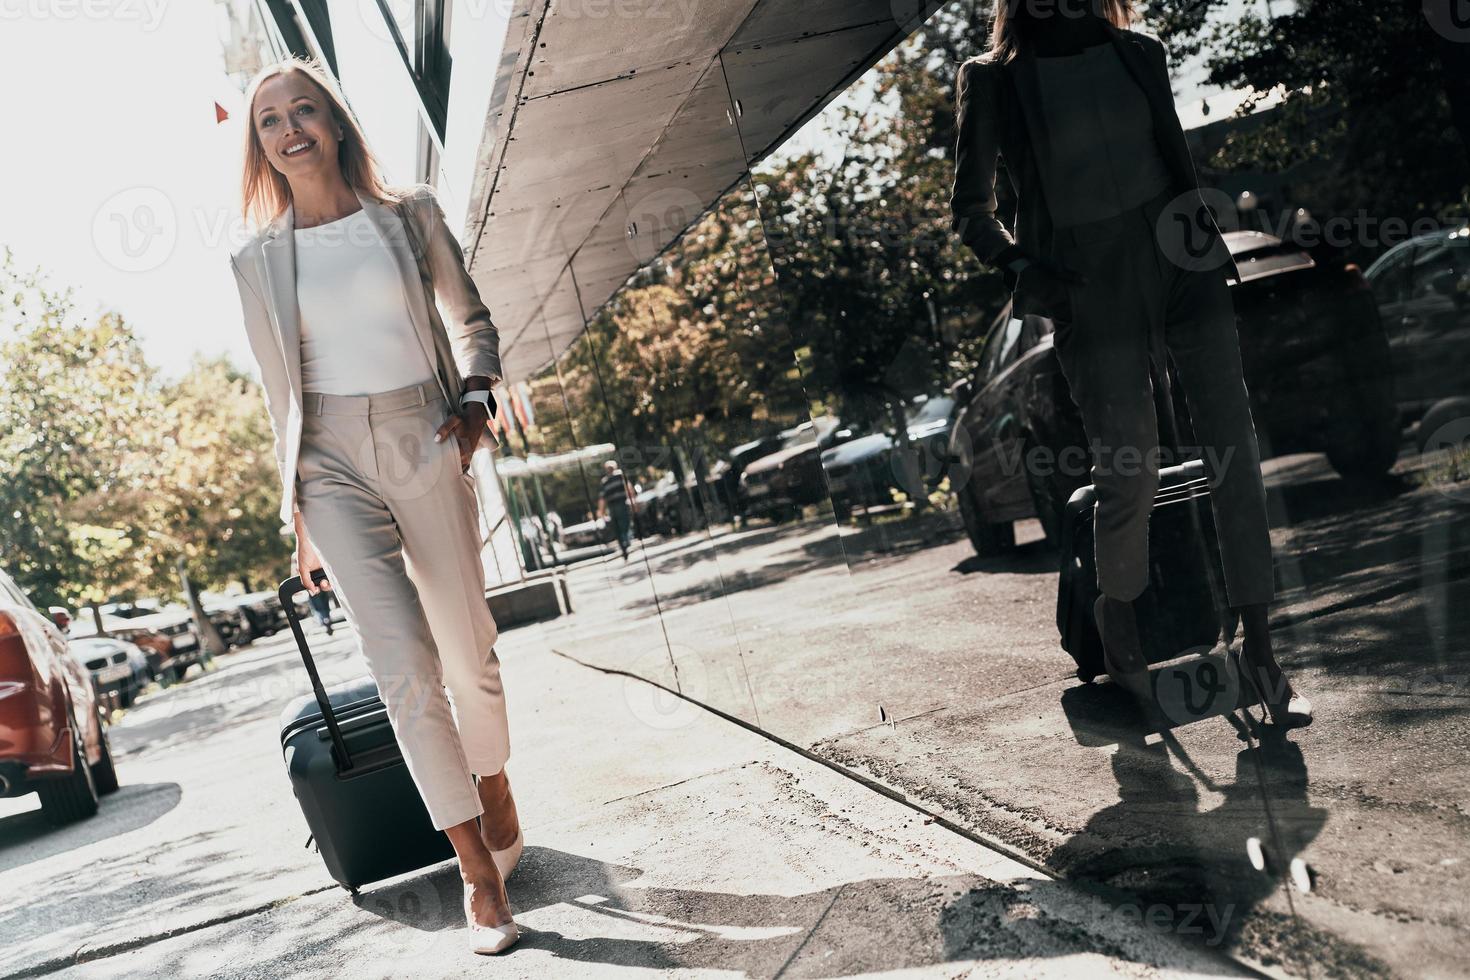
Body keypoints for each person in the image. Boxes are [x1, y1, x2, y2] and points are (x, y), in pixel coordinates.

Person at [230, 56, 523, 953]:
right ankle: (477, 874)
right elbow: (280, 397)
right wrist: (301, 519)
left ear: (337, 121)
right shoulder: (255, 261)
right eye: (271, 119)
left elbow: (470, 316)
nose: (289, 129)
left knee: (467, 651)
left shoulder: (410, 217)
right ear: (261, 145)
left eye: (304, 110)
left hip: (422, 430)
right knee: (402, 665)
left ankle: (494, 779)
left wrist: (475, 393)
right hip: (328, 461)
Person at [949, 0, 1311, 727]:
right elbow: (971, 209)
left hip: (1185, 258)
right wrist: (1029, 269)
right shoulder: (992, 77)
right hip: (1089, 279)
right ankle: (1120, 630)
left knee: (1234, 446)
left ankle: (1263, 652)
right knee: (1131, 466)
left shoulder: (1138, 51)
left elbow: (1172, 163)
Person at [596, 459, 636, 561]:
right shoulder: (620, 476)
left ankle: (623, 545)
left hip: (612, 507)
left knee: (617, 527)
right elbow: (629, 489)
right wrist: (633, 502)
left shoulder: (604, 481)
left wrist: (601, 511)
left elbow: (602, 498)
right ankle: (626, 541)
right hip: (621, 504)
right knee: (625, 524)